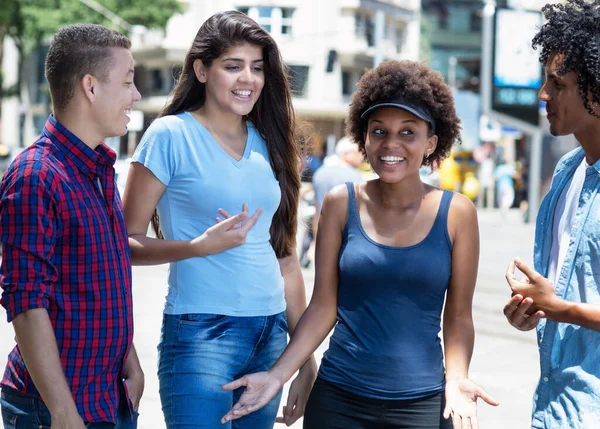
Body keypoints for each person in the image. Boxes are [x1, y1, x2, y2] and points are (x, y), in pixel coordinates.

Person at [221, 59, 498, 428]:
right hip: (338, 401)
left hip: (423, 405)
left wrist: (457, 378)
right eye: (379, 131)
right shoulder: (340, 203)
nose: (391, 144)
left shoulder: (456, 213)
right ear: (364, 138)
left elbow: (459, 315)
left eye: (408, 132)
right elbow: (323, 306)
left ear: (431, 142)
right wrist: (278, 375)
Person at [121, 11, 316, 429]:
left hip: (271, 335)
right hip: (201, 336)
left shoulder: (272, 142)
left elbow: (284, 257)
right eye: (233, 66)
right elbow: (124, 242)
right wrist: (195, 248)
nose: (248, 78)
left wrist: (304, 360)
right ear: (202, 70)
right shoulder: (170, 135)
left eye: (257, 68)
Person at [0, 24, 143, 429]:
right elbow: (26, 305)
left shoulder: (99, 168)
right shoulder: (35, 175)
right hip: (56, 411)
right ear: (91, 87)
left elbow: (101, 281)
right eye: (128, 82)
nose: (135, 95)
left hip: (108, 400)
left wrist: (130, 361)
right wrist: (63, 412)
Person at [503, 1, 600, 428]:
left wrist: (558, 308)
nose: (543, 94)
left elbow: (564, 304)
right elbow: (562, 290)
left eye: (556, 83)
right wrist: (534, 309)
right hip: (554, 405)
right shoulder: (565, 172)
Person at [299, 137, 363, 267]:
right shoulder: (356, 177)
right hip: (347, 237)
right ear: (346, 154)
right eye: (358, 152)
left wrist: (317, 238)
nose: (362, 156)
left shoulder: (322, 172)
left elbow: (318, 208)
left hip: (323, 232)